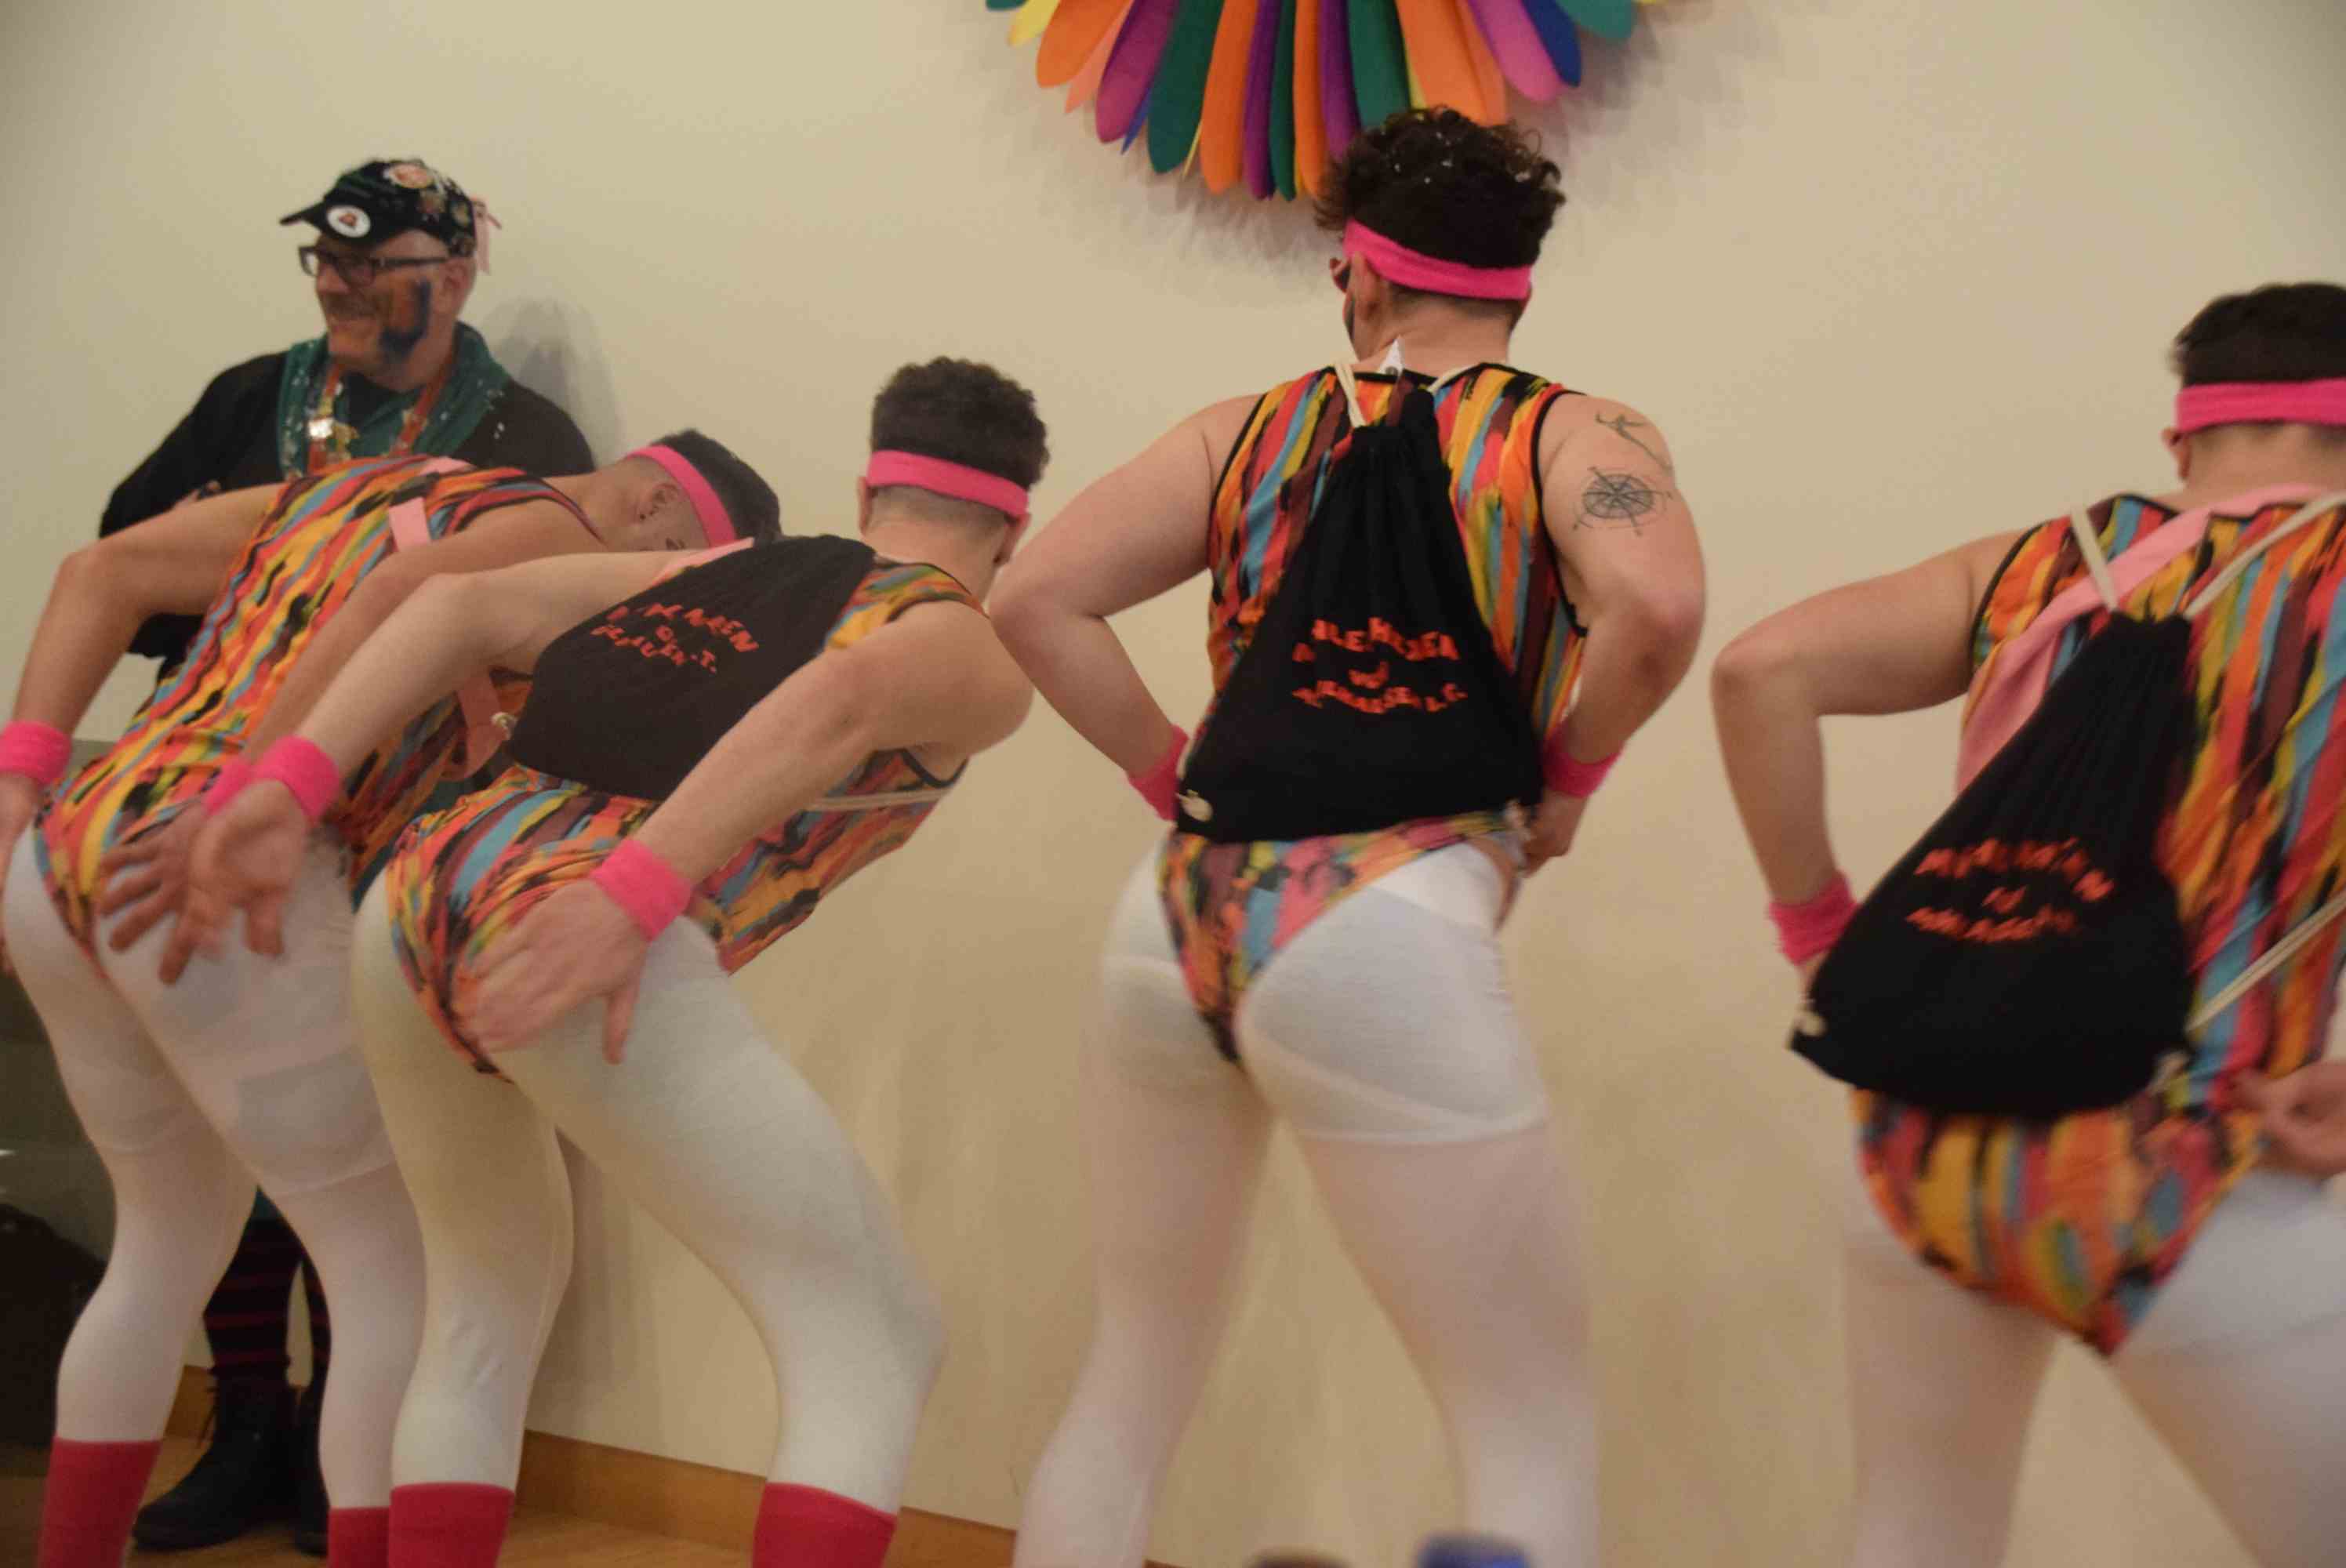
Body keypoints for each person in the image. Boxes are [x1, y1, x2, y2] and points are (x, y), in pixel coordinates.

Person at [991, 109, 1705, 1568]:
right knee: (1527, 1419)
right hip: (1389, 914)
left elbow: (1033, 600)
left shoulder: (1245, 431)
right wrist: (1570, 783)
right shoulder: (1580, 436)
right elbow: (1663, 603)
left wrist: (1169, 773)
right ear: (1518, 285)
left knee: (1133, 1371)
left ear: (1357, 277)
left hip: (1175, 914)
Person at [184, 358, 1044, 1568]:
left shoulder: (711, 570)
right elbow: (844, 697)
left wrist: (291, 780)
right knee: (873, 1332)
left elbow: (454, 608)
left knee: (482, 1307)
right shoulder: (971, 652)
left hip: (415, 901)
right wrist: (632, 894)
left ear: (867, 494)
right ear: (1013, 532)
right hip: (564, 923)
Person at [7, 434, 775, 1568]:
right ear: (656, 503)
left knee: (162, 1247)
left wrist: (16, 785)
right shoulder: (552, 526)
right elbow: (407, 597)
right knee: (404, 1276)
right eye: (672, 574)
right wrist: (253, 792)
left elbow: (99, 572)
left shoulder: (361, 484)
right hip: (215, 867)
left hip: (72, 844)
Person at [1710, 281, 2346, 1568]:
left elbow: (1759, 669)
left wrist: (1822, 941)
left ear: (2186, 441)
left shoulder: (2048, 560)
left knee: (1918, 1539)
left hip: (1920, 1143)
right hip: (2191, 1158)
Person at [100, 154, 592, 1556]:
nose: (339, 285)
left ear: (457, 271)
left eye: (373, 264)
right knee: (232, 1128)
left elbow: (545, 633)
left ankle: (342, 1441)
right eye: (324, 258)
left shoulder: (528, 438)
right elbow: (126, 558)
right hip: (221, 798)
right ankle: (245, 1417)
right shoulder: (252, 396)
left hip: (392, 817)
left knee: (365, 1144)